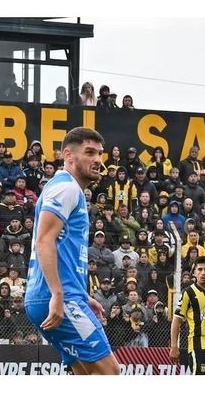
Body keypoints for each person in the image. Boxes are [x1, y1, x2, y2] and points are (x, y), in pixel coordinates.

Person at [24, 127, 120, 375]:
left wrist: (81, 294)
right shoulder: (66, 188)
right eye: (89, 152)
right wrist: (59, 294)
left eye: (100, 154)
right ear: (68, 155)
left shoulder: (66, 188)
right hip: (61, 299)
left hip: (60, 295)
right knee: (110, 373)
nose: (98, 160)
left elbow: (61, 247)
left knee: (87, 374)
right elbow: (44, 241)